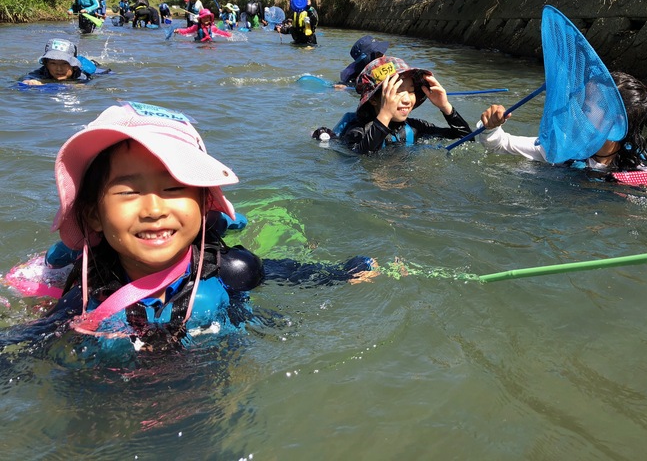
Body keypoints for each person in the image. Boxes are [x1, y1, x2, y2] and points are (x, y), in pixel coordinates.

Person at [0, 102, 376, 350]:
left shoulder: (231, 271)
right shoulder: (85, 294)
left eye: (174, 188)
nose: (153, 209)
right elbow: (27, 345)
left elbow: (285, 273)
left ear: (203, 204)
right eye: (129, 192)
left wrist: (343, 273)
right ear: (94, 214)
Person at [479, 71, 647, 172]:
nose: (576, 115)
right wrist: (491, 128)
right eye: (581, 105)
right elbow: (500, 145)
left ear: (615, 124)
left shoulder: (640, 165)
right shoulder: (559, 151)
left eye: (587, 110)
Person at [333, 56, 473, 154]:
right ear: (373, 99)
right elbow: (359, 156)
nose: (406, 99)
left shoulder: (415, 127)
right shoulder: (358, 131)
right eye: (397, 92)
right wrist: (385, 114)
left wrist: (445, 107)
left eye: (411, 90)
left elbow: (466, 139)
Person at [20, 38, 95, 85]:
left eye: (65, 63)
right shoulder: (42, 71)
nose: (59, 69)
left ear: (74, 66)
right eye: (53, 63)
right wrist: (28, 81)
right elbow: (29, 77)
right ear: (46, 64)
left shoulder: (81, 76)